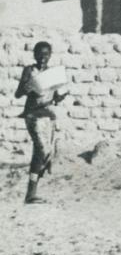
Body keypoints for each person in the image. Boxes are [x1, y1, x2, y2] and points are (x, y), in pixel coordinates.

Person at [14, 41, 71, 204]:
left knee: (41, 153)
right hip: (33, 114)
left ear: (50, 55)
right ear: (34, 55)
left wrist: (61, 96)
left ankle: (31, 193)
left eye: (45, 54)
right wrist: (27, 88)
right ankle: (31, 192)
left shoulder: (53, 74)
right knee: (42, 149)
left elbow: (55, 97)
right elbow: (18, 94)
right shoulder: (29, 70)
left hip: (48, 115)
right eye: (39, 54)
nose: (42, 58)